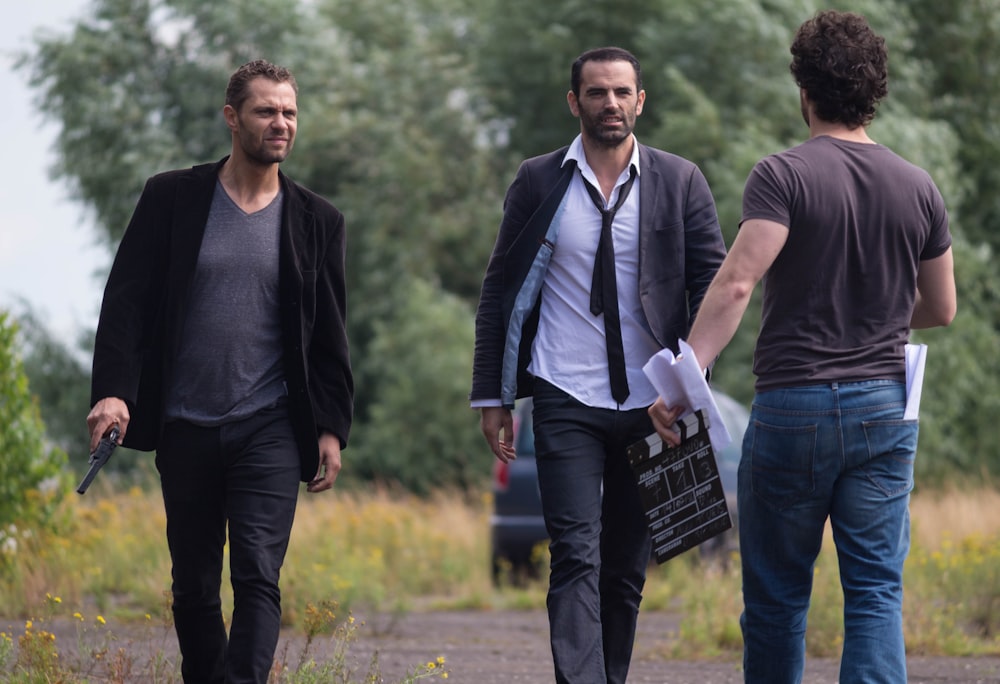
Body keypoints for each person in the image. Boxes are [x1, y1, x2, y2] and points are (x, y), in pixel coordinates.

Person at [648, 10, 957, 684]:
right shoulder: (919, 187)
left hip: (794, 406)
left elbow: (736, 284)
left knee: (778, 595)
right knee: (875, 591)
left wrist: (681, 378)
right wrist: (871, 314)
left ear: (804, 91)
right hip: (884, 405)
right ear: (875, 91)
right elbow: (941, 306)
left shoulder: (782, 176)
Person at [85, 59, 353, 684]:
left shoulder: (317, 220)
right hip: (185, 422)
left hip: (270, 426)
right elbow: (126, 301)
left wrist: (331, 427)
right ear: (232, 118)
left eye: (289, 111)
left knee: (258, 572)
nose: (280, 123)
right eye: (266, 111)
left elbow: (329, 335)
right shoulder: (171, 197)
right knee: (195, 585)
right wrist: (114, 393)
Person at [471, 46, 727, 683]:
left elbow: (715, 287)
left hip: (655, 405)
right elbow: (500, 288)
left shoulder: (681, 180)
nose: (609, 103)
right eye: (596, 93)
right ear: (574, 102)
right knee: (574, 557)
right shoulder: (538, 179)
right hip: (564, 395)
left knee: (624, 570)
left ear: (640, 101)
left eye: (621, 93)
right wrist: (492, 395)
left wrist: (691, 383)